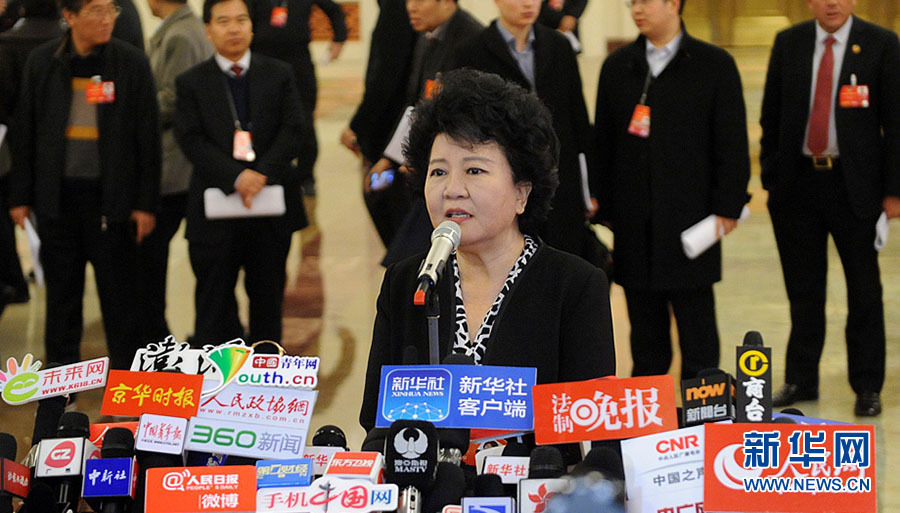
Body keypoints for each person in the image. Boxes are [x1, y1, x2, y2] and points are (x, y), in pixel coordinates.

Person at [360, 69, 616, 448]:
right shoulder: (407, 283)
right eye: (438, 171)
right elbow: (375, 424)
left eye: (474, 170)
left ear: (521, 193)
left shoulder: (575, 285)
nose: (452, 189)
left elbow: (593, 433)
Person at [593, 0, 749, 381]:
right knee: (646, 344)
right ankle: (650, 413)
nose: (637, 10)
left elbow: (731, 144)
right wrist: (605, 208)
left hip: (692, 226)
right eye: (632, 3)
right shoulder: (619, 66)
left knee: (699, 341)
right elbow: (603, 144)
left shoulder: (713, 65)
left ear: (674, 4)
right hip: (635, 227)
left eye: (646, 1)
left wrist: (727, 207)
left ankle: (704, 410)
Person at [760, 0, 900, 416]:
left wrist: (893, 190)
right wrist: (772, 176)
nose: (832, 3)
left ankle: (867, 385)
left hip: (856, 186)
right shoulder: (789, 42)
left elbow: (895, 123)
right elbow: (771, 114)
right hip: (798, 184)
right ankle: (801, 378)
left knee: (864, 289)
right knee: (803, 288)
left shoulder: (880, 44)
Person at [7, 0, 161, 370]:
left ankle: (126, 387)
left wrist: (145, 203)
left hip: (112, 203)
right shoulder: (44, 62)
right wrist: (20, 195)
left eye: (111, 11)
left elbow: (147, 138)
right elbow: (25, 132)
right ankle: (60, 391)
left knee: (122, 306)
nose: (107, 20)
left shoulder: (131, 64)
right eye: (96, 11)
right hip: (58, 201)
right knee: (61, 305)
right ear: (70, 16)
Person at [175, 0, 307, 347]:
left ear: (251, 25)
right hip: (215, 210)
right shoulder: (191, 82)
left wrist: (260, 174)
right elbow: (191, 139)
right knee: (214, 305)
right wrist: (237, 177)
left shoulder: (279, 73)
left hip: (270, 208)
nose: (233, 28)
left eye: (241, 20)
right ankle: (222, 375)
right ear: (208, 29)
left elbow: (293, 129)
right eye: (223, 21)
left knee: (268, 302)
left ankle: (266, 372)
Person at [454, 0, 598, 259]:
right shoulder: (471, 51)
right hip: (504, 182)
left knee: (562, 263)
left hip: (560, 185)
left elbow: (577, 120)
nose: (528, 3)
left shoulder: (559, 45)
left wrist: (590, 191)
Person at [365, 0, 483, 266]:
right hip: (424, 154)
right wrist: (391, 157)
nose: (411, 8)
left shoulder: (470, 42)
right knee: (377, 189)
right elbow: (417, 105)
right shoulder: (427, 38)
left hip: (452, 160)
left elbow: (467, 116)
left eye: (419, 0)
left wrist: (424, 158)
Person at [140, 0, 211, 343]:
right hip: (182, 165)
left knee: (150, 256)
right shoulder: (183, 29)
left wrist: (133, 108)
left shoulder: (180, 36)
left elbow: (174, 99)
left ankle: (157, 338)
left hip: (175, 165)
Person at [0, 0, 64, 314]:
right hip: (64, 150)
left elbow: (4, 103)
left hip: (14, 148)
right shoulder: (67, 41)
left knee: (11, 213)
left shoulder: (8, 43)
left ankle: (16, 279)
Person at [250, 0, 347, 196]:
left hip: (298, 63)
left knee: (304, 122)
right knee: (262, 121)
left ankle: (305, 176)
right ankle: (266, 173)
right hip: (261, 62)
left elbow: (334, 10)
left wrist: (339, 39)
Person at [340, 0, 416, 248]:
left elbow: (386, 75)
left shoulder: (397, 9)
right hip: (392, 130)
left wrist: (358, 126)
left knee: (383, 199)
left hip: (390, 133)